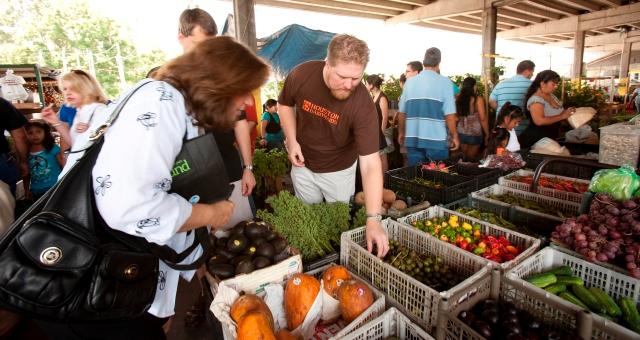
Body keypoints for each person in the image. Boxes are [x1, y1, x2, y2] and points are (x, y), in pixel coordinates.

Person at [35, 36, 269, 340]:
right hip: (94, 285)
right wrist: (209, 213)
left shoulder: (166, 100)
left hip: (113, 276)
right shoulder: (161, 106)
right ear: (219, 84)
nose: (249, 102)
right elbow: (131, 206)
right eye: (244, 91)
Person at [278, 34, 389, 258]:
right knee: (306, 219)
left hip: (339, 172)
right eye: (342, 76)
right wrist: (291, 140)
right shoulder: (301, 74)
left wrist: (373, 219)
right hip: (303, 165)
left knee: (336, 227)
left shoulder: (363, 105)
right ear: (327, 63)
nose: (349, 85)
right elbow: (284, 104)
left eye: (356, 78)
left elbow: (370, 164)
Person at [178, 7, 255, 199]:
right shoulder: (170, 83)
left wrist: (248, 167)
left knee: (239, 226)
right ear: (181, 38)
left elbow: (240, 123)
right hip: (190, 174)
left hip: (228, 166)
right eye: (198, 44)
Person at [41, 69, 109, 178]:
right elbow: (75, 144)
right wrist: (55, 122)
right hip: (83, 169)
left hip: (94, 171)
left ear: (87, 88)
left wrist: (91, 132)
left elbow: (107, 136)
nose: (68, 92)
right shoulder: (80, 112)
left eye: (73, 88)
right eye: (65, 89)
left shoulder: (99, 110)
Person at [397, 47, 459, 165]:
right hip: (436, 141)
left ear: (424, 62)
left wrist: (401, 132)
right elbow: (450, 116)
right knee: (437, 179)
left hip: (413, 139)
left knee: (416, 177)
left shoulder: (409, 82)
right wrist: (454, 136)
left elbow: (402, 113)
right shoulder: (445, 82)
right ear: (439, 63)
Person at [519, 70, 575, 149]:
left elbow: (560, 113)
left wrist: (568, 112)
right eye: (553, 84)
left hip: (549, 138)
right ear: (542, 83)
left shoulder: (552, 96)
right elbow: (539, 121)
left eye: (557, 84)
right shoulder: (535, 100)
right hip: (536, 139)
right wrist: (562, 116)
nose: (556, 86)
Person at [490, 60, 535, 135]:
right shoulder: (532, 86)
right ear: (527, 71)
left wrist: (504, 111)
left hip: (502, 129)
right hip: (522, 130)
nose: (532, 75)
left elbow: (491, 102)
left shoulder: (501, 84)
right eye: (532, 72)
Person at [24, 120, 65, 199]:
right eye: (30, 133)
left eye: (38, 132)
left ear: (45, 133)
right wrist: (26, 190)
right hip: (36, 191)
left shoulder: (52, 148)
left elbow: (63, 166)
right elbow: (26, 173)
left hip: (55, 187)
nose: (35, 135)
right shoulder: (26, 152)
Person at [455, 77, 489, 161]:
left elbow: (456, 117)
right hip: (474, 133)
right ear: (474, 86)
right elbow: (483, 118)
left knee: (462, 158)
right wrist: (487, 133)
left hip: (461, 132)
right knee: (470, 159)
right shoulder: (478, 100)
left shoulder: (458, 99)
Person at [0, 97, 29, 196]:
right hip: (1, 163)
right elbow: (20, 137)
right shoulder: (2, 103)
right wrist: (23, 162)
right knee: (6, 205)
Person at [366, 74, 393, 173]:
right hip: (378, 130)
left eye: (367, 84)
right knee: (379, 156)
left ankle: (384, 181)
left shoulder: (382, 98)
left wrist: (381, 132)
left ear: (372, 85)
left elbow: (385, 117)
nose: (366, 86)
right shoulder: (374, 96)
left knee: (383, 156)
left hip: (383, 130)